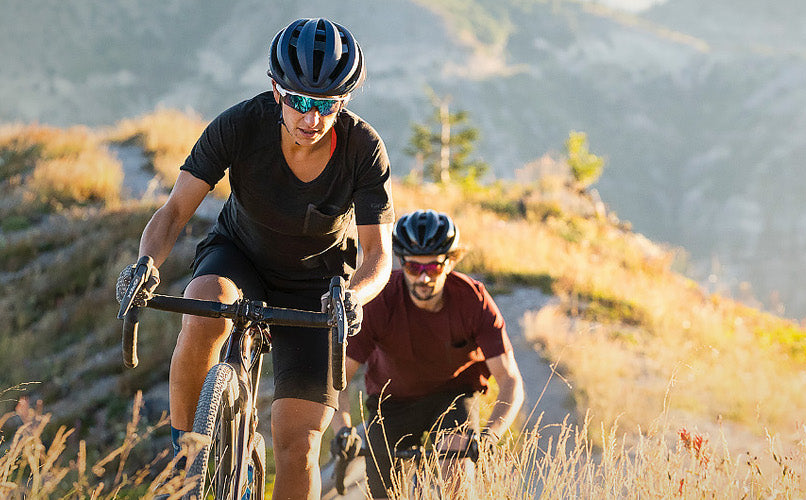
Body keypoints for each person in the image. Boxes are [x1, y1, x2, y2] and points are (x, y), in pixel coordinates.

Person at [114, 18, 393, 500]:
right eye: (299, 101)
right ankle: (188, 458)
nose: (311, 118)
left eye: (326, 105)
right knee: (205, 300)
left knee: (298, 446)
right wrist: (146, 266)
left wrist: (354, 296)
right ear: (276, 90)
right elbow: (175, 210)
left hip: (318, 286)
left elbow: (379, 254)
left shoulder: (363, 149)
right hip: (240, 256)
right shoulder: (241, 125)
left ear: (343, 102)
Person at [330, 210, 525, 499]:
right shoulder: (380, 300)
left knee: (457, 469)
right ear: (400, 262)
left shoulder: (473, 300)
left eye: (433, 268)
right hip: (391, 401)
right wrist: (343, 430)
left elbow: (510, 381)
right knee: (382, 489)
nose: (423, 278)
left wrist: (489, 436)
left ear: (450, 262)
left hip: (453, 396)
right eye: (413, 267)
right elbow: (338, 379)